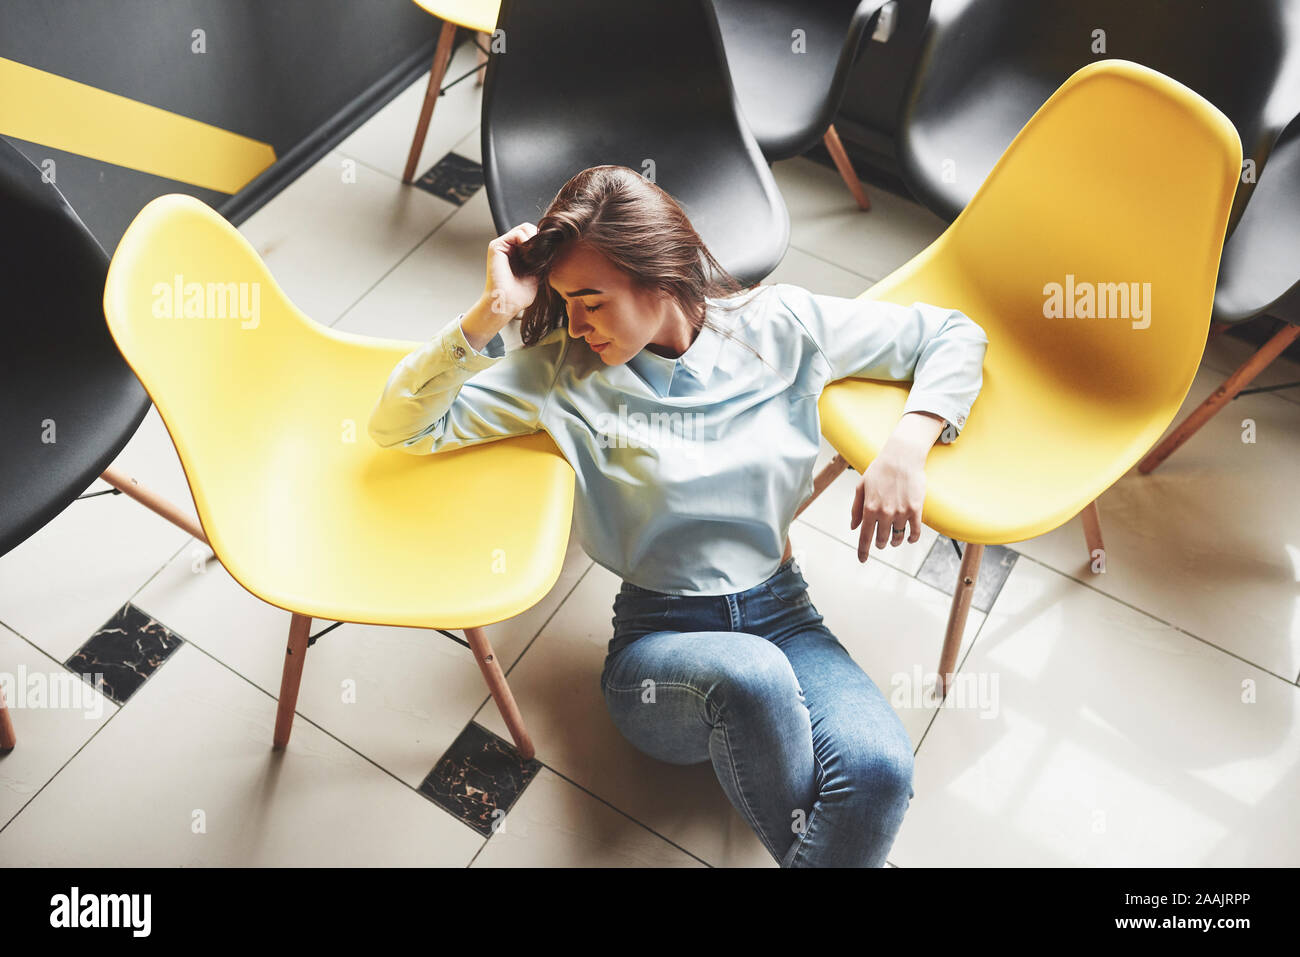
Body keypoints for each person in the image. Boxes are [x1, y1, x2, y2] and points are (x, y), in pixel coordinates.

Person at [367, 165, 988, 867]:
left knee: (880, 771)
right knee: (752, 678)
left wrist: (907, 445)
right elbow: (400, 425)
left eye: (591, 300)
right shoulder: (559, 373)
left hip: (784, 613)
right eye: (567, 301)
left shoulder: (780, 326)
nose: (575, 321)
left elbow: (954, 335)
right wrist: (490, 313)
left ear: (660, 279)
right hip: (658, 648)